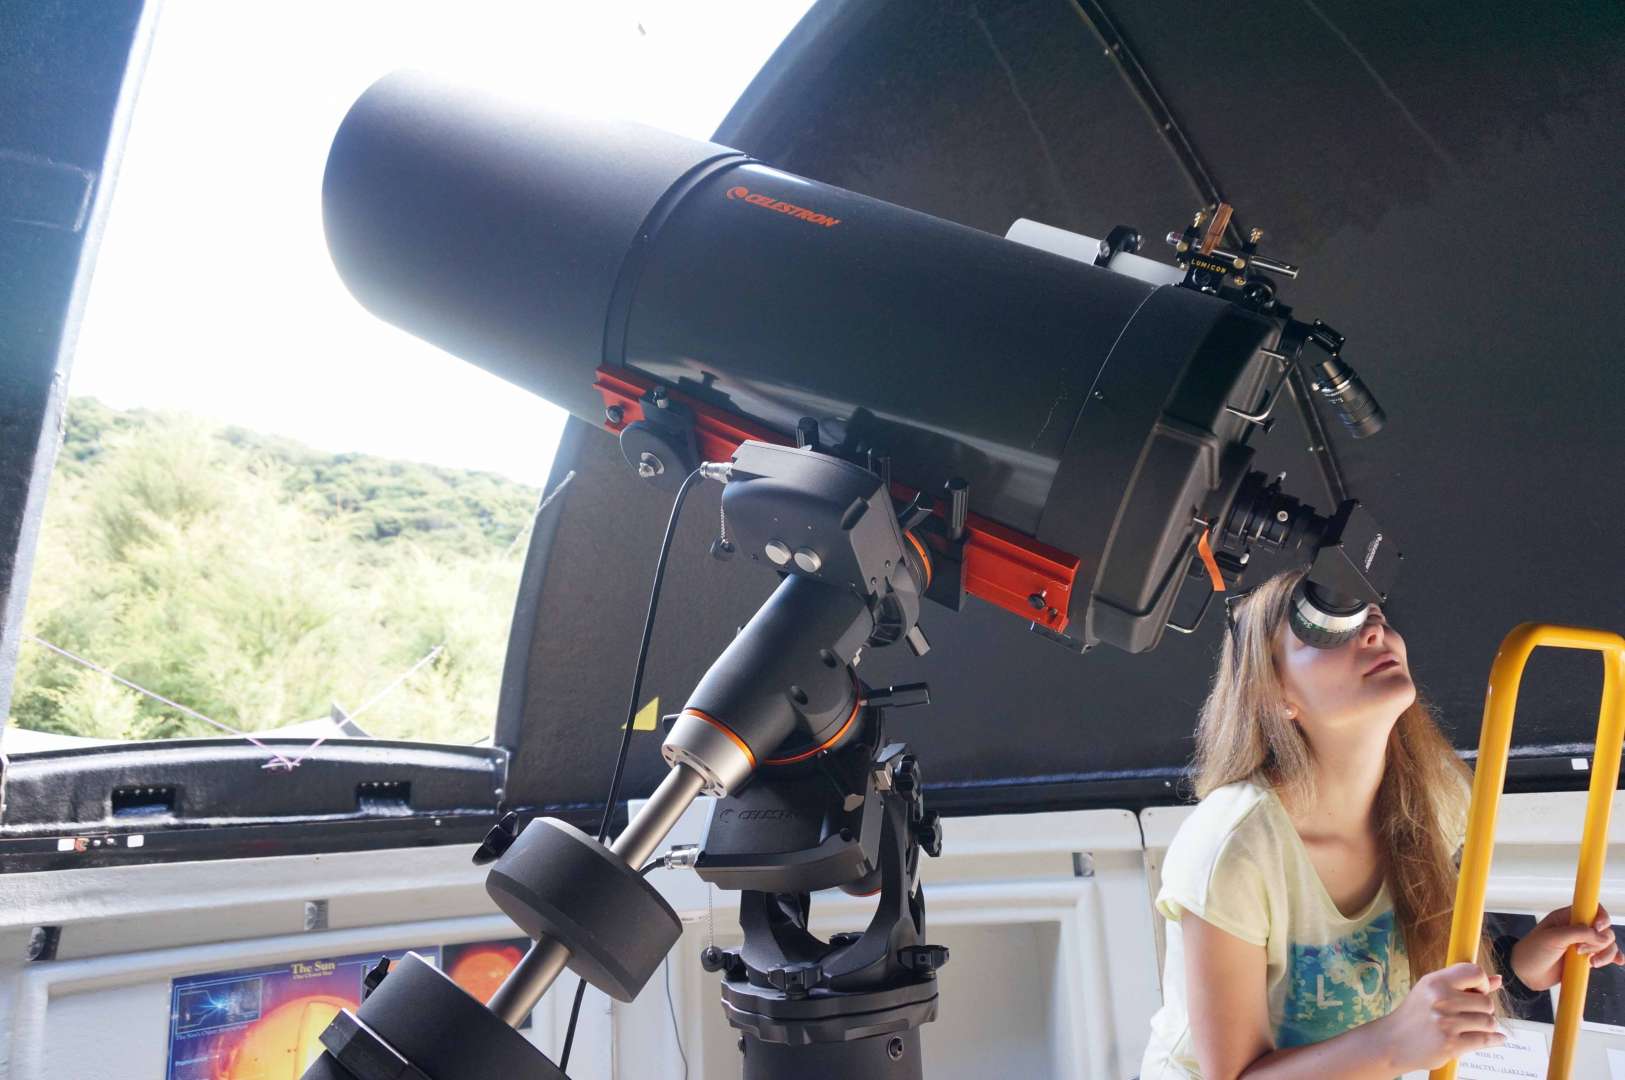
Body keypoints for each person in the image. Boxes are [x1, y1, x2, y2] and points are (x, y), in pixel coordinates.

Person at [1139, 569, 1623, 1079]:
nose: (1374, 632)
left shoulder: (1435, 803)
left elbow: (1403, 970)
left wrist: (1524, 965)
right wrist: (1393, 1045)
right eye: (1328, 631)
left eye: (1375, 617)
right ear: (1276, 694)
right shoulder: (1235, 845)